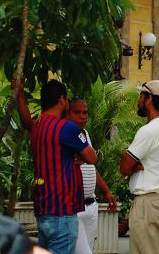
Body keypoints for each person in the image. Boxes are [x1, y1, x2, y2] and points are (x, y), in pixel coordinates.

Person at [17, 80, 97, 254]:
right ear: (62, 100)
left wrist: (20, 93)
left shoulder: (38, 126)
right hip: (63, 212)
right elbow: (92, 157)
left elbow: (25, 122)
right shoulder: (67, 127)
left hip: (44, 211)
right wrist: (81, 156)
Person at [119, 80, 159, 254]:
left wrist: (134, 166)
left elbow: (124, 167)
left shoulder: (148, 131)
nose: (138, 100)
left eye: (140, 96)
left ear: (149, 99)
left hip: (147, 203)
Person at [67, 99, 117, 254]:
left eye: (85, 112)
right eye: (77, 112)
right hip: (75, 207)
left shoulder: (85, 134)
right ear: (68, 114)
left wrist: (107, 191)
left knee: (89, 249)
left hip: (91, 206)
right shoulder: (66, 135)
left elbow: (91, 167)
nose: (82, 116)